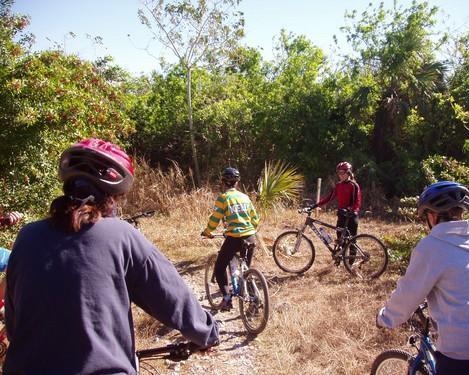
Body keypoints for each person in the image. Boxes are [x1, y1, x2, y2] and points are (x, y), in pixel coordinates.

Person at [4, 138, 219, 374]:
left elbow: (15, 322)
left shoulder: (28, 236)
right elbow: (170, 295)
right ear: (112, 197)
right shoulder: (121, 236)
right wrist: (206, 333)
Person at [376, 181, 469, 374]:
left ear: (433, 215)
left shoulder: (432, 246)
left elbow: (408, 293)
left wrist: (385, 318)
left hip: (459, 351)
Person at [201, 167, 259, 311]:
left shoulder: (224, 198)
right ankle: (254, 302)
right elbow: (255, 219)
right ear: (237, 182)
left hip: (234, 238)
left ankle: (227, 299)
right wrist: (248, 228)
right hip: (250, 237)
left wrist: (208, 232)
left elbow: (215, 219)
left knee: (220, 268)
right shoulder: (245, 197)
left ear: (223, 182)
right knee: (246, 270)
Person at [312, 161, 361, 243]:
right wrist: (315, 205)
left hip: (351, 217)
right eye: (339, 173)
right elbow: (328, 198)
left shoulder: (353, 185)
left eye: (342, 173)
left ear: (348, 173)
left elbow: (357, 202)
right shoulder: (338, 185)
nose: (340, 175)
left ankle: (352, 255)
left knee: (352, 242)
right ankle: (340, 255)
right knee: (340, 241)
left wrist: (350, 210)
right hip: (342, 216)